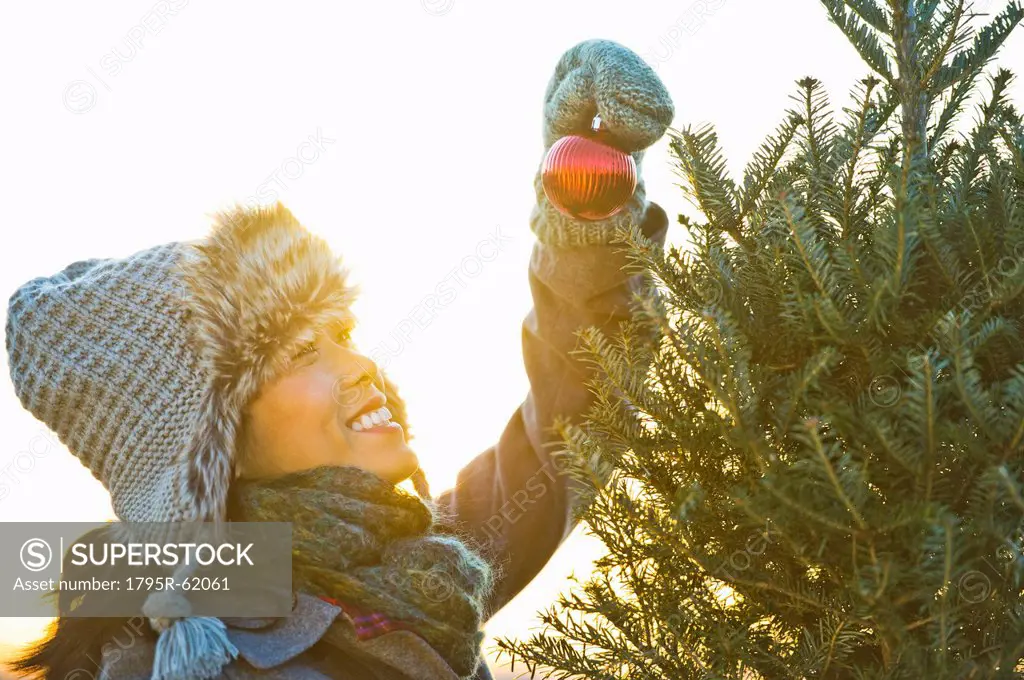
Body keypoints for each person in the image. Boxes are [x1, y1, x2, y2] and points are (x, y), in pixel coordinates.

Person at [5, 38, 673, 680]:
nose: (359, 367)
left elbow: (570, 425)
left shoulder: (405, 574)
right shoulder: (190, 659)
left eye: (343, 333)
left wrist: (584, 215)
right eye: (299, 351)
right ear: (207, 454)